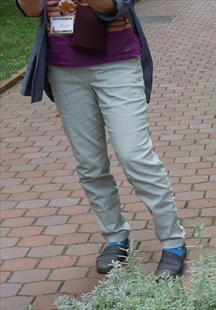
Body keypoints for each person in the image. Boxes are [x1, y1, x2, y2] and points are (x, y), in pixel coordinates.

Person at [15, 0, 187, 277]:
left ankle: (173, 241)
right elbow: (32, 9)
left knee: (134, 156)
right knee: (89, 162)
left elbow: (114, 6)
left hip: (117, 64)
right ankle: (115, 237)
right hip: (63, 69)